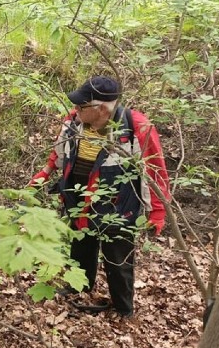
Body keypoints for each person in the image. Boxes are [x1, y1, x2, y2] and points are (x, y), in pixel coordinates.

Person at [29, 76, 170, 318]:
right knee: (81, 245)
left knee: (118, 258)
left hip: (118, 203)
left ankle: (123, 309)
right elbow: (58, 153)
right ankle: (79, 287)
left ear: (102, 108)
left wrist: (157, 211)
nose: (76, 109)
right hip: (78, 198)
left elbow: (155, 171)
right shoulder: (73, 122)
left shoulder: (137, 127)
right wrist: (44, 174)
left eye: (82, 106)